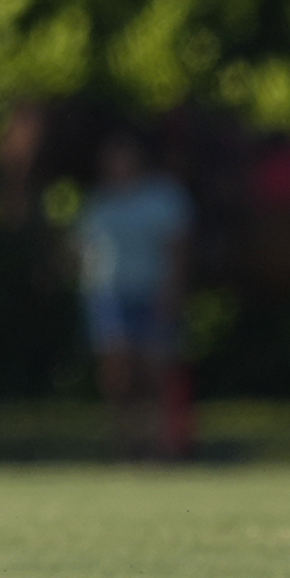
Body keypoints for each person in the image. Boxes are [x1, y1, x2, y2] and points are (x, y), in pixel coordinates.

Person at [77, 129, 192, 460]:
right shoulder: (99, 203)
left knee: (155, 372)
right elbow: (86, 251)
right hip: (110, 295)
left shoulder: (163, 198)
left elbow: (178, 251)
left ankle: (161, 444)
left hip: (152, 291)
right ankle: (123, 444)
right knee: (118, 374)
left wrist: (172, 292)